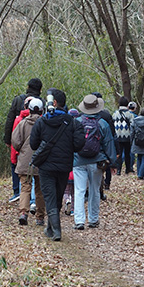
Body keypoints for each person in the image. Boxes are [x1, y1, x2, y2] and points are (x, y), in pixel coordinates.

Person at [30, 89, 84, 241]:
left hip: (46, 166)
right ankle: (50, 228)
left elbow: (33, 144)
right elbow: (79, 144)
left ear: (53, 102)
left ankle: (57, 231)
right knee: (58, 196)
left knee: (49, 197)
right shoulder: (72, 122)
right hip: (64, 166)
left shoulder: (41, 121)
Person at [72, 94, 117, 230]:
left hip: (78, 161)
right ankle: (93, 219)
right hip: (97, 161)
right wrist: (113, 163)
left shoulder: (77, 122)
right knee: (94, 190)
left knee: (79, 190)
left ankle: (79, 221)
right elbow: (109, 144)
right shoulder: (102, 124)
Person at [4, 78, 43, 202]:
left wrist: (7, 139)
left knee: (16, 164)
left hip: (19, 137)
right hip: (37, 141)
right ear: (40, 90)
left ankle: (17, 191)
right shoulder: (42, 103)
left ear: (27, 87)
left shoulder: (18, 100)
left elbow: (10, 120)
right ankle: (33, 197)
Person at [12, 98, 46, 226]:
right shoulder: (44, 123)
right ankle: (40, 217)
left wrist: (22, 150)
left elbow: (15, 141)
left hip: (26, 160)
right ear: (42, 110)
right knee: (40, 189)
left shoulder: (23, 123)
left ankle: (23, 213)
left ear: (29, 109)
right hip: (41, 160)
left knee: (25, 188)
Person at [91, 92, 115, 194]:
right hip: (103, 147)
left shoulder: (84, 116)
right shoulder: (106, 115)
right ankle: (106, 184)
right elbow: (112, 132)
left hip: (89, 146)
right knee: (106, 165)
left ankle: (94, 189)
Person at [112, 96, 135, 175]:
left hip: (117, 136)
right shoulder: (130, 114)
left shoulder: (115, 113)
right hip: (127, 136)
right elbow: (132, 125)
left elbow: (113, 124)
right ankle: (127, 169)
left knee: (119, 153)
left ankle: (118, 170)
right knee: (127, 153)